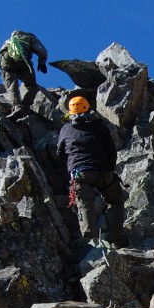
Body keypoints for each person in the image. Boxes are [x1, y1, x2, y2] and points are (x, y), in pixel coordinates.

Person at [56, 96, 128, 246]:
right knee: (115, 202)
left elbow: (60, 153)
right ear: (88, 109)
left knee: (85, 205)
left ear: (71, 113)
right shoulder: (100, 127)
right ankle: (116, 239)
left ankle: (91, 243)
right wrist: (109, 169)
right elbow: (111, 150)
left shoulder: (66, 129)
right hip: (104, 172)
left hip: (81, 172)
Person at [0, 30, 48, 116]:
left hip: (5, 59)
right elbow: (42, 51)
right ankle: (25, 106)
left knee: (11, 85)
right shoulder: (31, 38)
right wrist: (41, 63)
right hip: (22, 59)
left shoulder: (10, 39)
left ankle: (17, 106)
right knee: (32, 86)